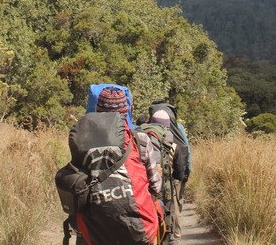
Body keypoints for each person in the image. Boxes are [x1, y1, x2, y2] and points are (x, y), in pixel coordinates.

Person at [71, 86, 162, 245]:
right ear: (125, 112)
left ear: (97, 111)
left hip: (93, 229)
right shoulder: (140, 139)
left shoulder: (82, 140)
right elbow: (155, 187)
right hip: (138, 228)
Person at [148, 102, 191, 245]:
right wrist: (185, 173)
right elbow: (186, 152)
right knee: (173, 207)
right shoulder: (177, 132)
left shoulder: (141, 134)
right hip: (166, 184)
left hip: (145, 184)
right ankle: (174, 237)